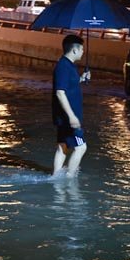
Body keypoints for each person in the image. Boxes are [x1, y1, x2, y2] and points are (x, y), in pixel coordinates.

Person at [52, 34, 91, 177]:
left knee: (63, 146)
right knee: (81, 147)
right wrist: (72, 116)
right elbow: (60, 93)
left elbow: (68, 86)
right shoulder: (63, 67)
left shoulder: (68, 65)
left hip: (63, 116)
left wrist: (81, 79)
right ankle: (69, 178)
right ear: (74, 50)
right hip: (69, 117)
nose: (83, 52)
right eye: (81, 49)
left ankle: (55, 177)